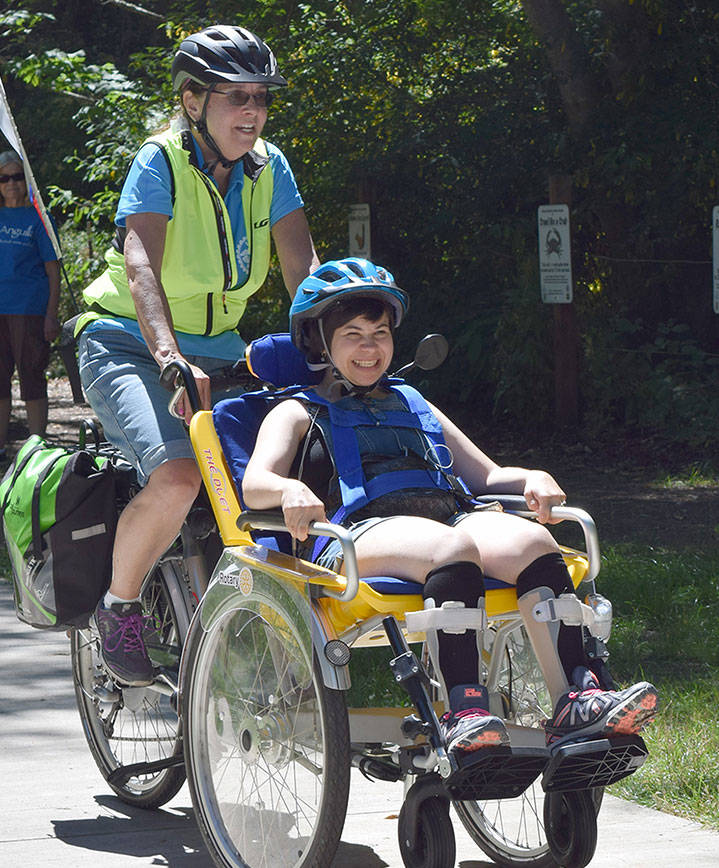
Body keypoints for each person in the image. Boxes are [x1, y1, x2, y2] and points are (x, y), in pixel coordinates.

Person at [241, 258, 658, 756]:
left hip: (448, 517)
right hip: (357, 532)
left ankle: (578, 696)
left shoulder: (414, 402)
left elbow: (484, 475)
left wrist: (531, 477)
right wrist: (287, 491)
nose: (370, 347)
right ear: (319, 343)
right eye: (353, 333)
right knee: (453, 545)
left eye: (380, 332)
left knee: (532, 540)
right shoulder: (296, 410)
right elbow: (255, 483)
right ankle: (465, 711)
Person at [75, 25, 320, 686]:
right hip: (127, 340)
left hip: (222, 350)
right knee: (181, 477)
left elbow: (302, 265)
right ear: (192, 101)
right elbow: (140, 265)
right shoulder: (161, 160)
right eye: (235, 97)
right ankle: (119, 608)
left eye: (261, 98)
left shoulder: (270, 165)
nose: (252, 111)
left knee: (263, 483)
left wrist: (331, 340)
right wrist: (166, 354)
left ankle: (261, 645)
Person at [0, 151, 62, 468]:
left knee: (32, 375)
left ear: (26, 180)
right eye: (5, 178)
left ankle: (37, 450)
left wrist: (50, 314)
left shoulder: (39, 218)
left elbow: (53, 271)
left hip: (28, 309)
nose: (12, 183)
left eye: (18, 176)